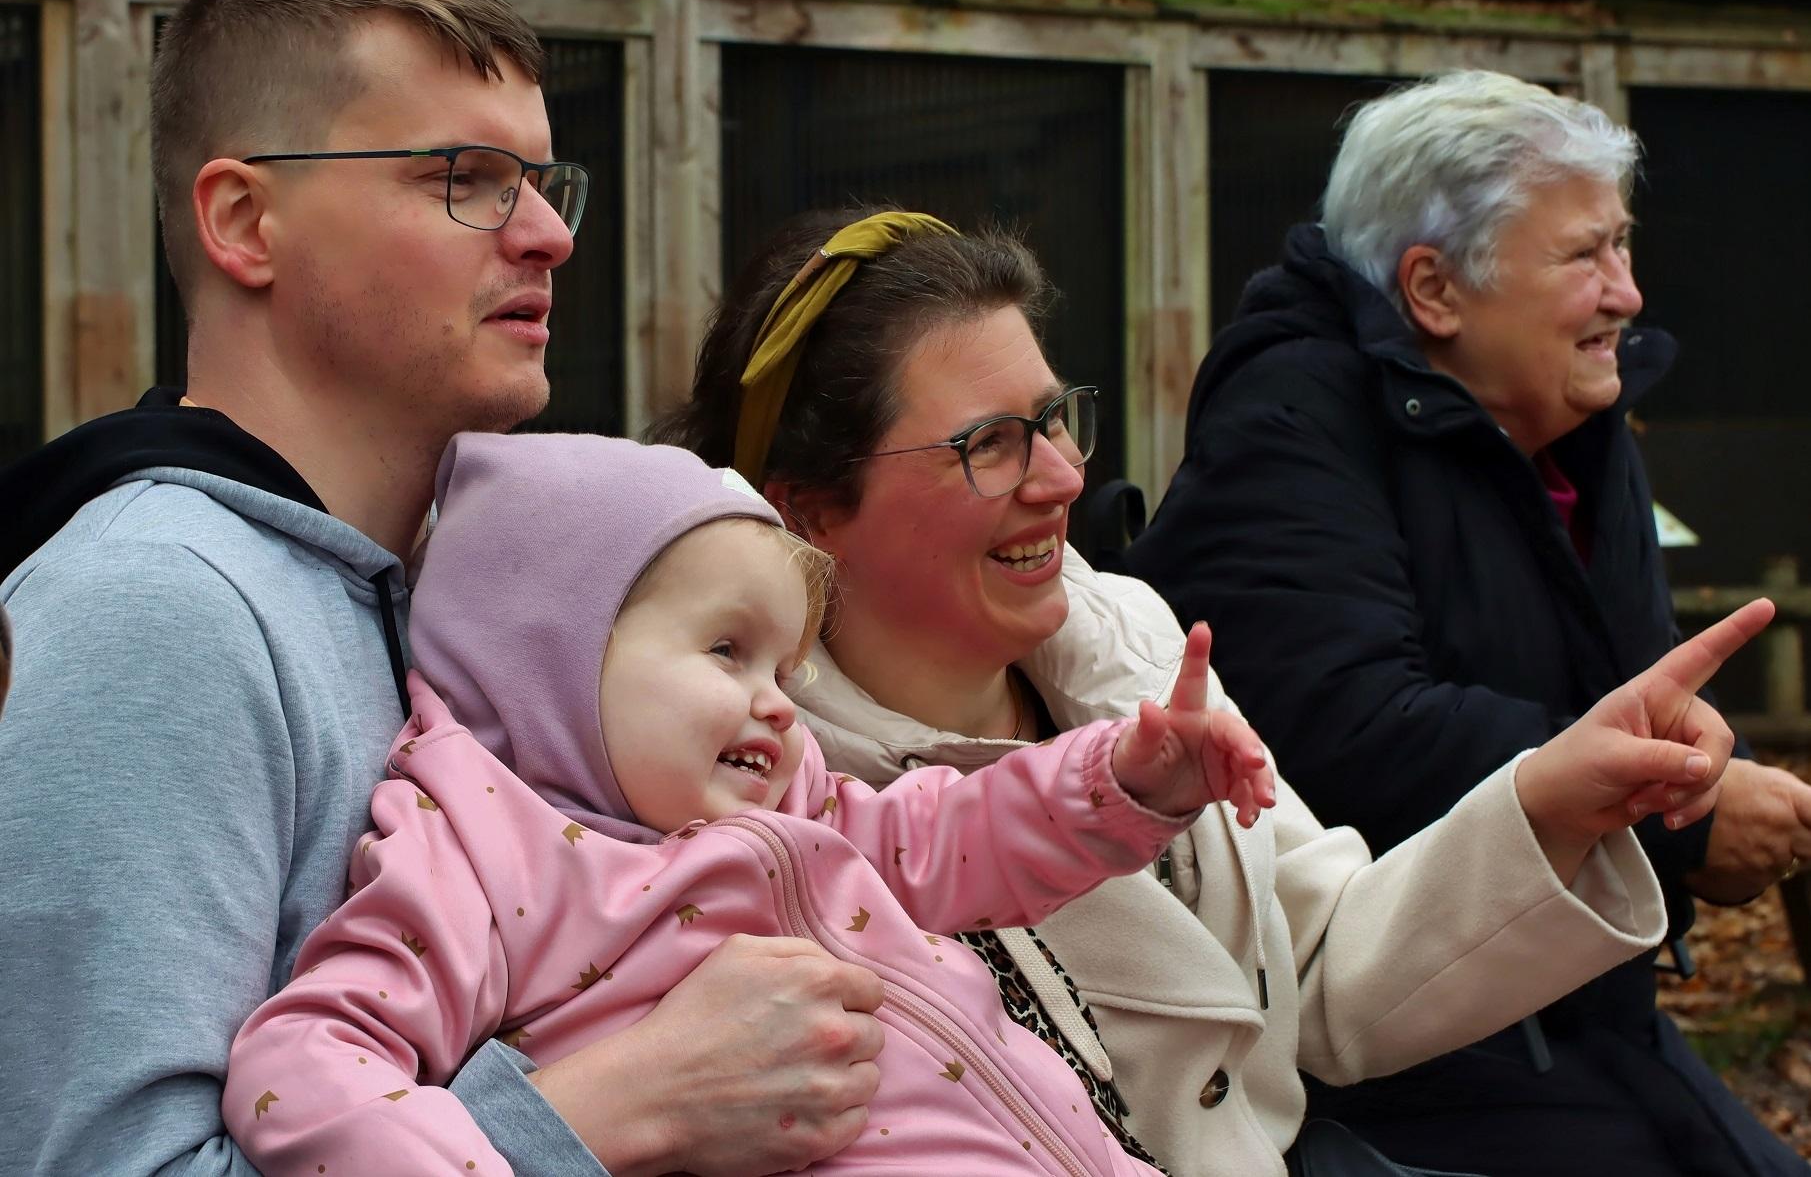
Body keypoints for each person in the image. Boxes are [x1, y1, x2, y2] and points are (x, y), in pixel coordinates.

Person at [0, 0, 882, 1175]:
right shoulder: (157, 610)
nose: (548, 236)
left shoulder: (463, 594)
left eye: (542, 182)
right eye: (464, 178)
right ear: (246, 220)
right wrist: (613, 1107)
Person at [649, 205, 1772, 1177]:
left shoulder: (1134, 639)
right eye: (989, 444)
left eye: (1054, 417)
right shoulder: (758, 794)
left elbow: (1319, 973)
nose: (1062, 478)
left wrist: (1552, 801)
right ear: (803, 509)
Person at [223, 430, 1278, 1176]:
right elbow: (303, 1065)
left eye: (783, 668)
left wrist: (1126, 777)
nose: (776, 704)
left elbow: (948, 833)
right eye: (727, 650)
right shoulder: (477, 860)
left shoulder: (796, 809)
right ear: (547, 659)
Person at [1123, 70, 1811, 1176]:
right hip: (1397, 1067)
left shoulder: (1568, 419)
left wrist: (1690, 780)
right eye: (1582, 256)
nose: (1627, 293)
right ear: (1434, 290)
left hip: (1574, 1023)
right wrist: (1673, 822)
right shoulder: (1287, 426)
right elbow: (1339, 732)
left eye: (1621, 244)